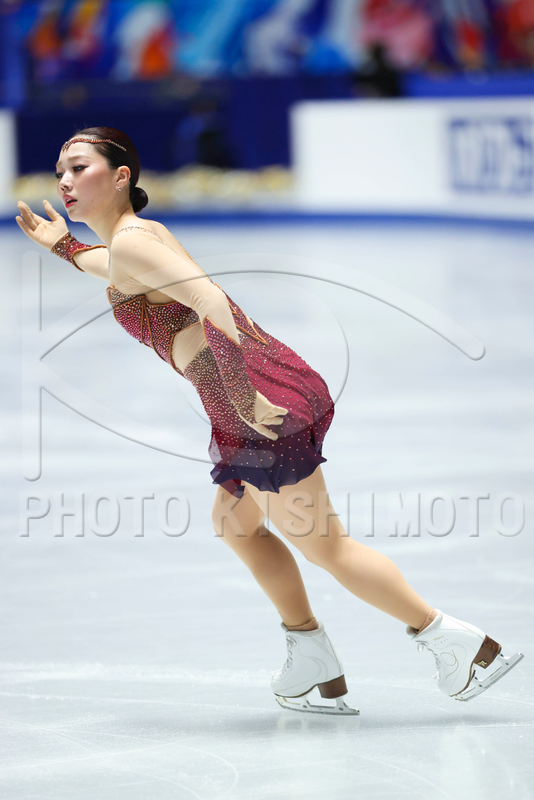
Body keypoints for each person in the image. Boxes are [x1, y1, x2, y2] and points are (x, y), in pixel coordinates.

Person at [16, 127, 523, 715]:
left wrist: (244, 397)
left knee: (326, 546)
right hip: (248, 397)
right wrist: (63, 246)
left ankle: (460, 645)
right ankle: (311, 654)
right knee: (235, 522)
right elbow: (113, 268)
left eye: (79, 167)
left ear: (121, 176)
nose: (65, 180)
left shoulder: (132, 242)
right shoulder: (135, 239)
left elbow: (207, 300)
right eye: (61, 170)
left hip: (254, 402)